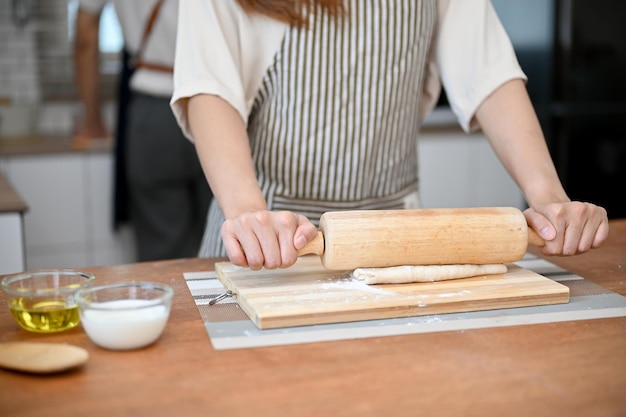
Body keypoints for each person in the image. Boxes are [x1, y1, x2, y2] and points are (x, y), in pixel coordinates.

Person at [170, 0, 609, 270]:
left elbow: (488, 71)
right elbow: (211, 90)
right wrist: (249, 213)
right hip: (270, 243)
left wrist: (549, 197)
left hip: (393, 244)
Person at [74, 0, 212, 261]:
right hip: (218, 106)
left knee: (163, 257)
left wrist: (92, 119)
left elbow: (85, 35)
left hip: (152, 115)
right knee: (227, 247)